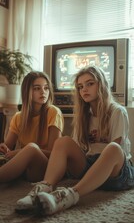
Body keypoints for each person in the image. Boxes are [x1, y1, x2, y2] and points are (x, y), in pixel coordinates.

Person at [15, 66, 134, 215]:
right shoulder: (84, 116)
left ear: (101, 85)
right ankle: (43, 189)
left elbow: (119, 152)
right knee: (63, 141)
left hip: (117, 173)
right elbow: (77, 149)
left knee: (113, 148)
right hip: (90, 166)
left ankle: (68, 196)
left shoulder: (117, 111)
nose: (84, 89)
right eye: (80, 86)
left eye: (90, 84)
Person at [0, 71, 64, 183]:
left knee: (31, 148)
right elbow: (7, 147)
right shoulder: (18, 117)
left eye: (46, 88)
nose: (43, 92)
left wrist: (21, 151)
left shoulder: (53, 112)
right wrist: (3, 148)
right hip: (26, 169)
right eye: (37, 88)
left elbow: (54, 153)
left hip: (47, 168)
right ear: (27, 91)